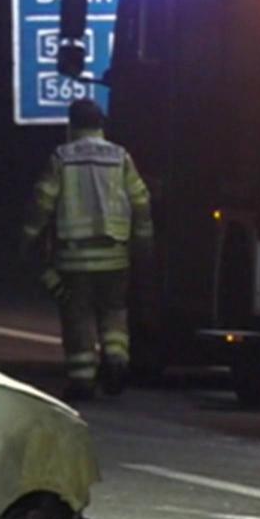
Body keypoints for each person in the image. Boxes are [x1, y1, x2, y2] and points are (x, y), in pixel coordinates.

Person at [22, 98, 154, 401]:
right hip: (115, 256)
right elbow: (140, 201)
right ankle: (117, 362)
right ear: (101, 124)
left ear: (71, 125)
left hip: (74, 258)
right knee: (114, 313)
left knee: (78, 317)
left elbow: (43, 201)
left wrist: (29, 237)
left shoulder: (62, 158)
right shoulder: (120, 157)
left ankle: (82, 380)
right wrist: (143, 245)